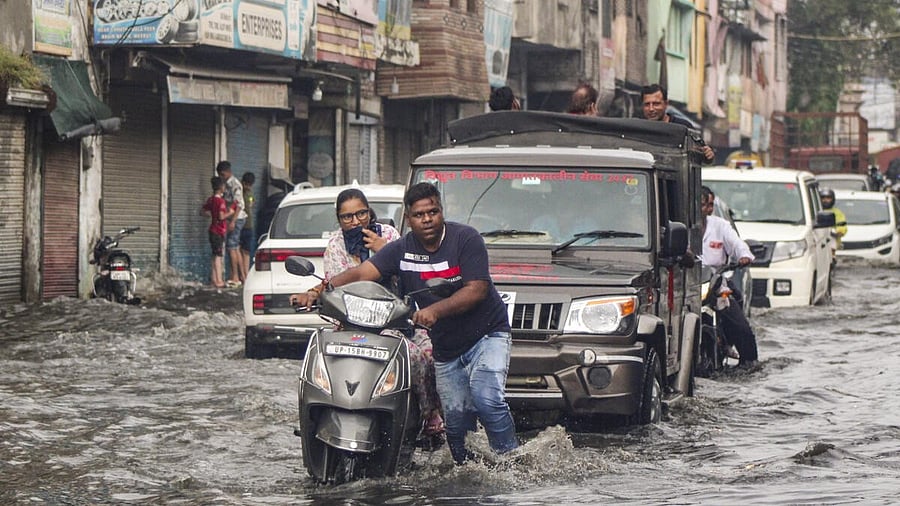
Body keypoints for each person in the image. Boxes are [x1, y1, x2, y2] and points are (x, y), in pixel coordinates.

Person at [293, 182, 518, 464]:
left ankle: (511, 463)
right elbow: (362, 272)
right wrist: (319, 291)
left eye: (433, 212)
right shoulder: (400, 249)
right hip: (447, 345)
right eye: (419, 215)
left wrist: (434, 310)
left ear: (441, 212)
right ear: (408, 219)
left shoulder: (466, 239)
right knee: (457, 421)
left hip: (486, 335)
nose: (427, 219)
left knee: (487, 399)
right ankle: (468, 472)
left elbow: (477, 290)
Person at [295, 188, 445, 442]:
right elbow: (334, 284)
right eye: (347, 217)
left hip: (394, 322)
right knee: (319, 359)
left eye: (361, 213)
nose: (356, 222)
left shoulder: (388, 235)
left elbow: (407, 270)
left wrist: (382, 248)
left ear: (369, 212)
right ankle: (316, 418)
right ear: (339, 220)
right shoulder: (335, 247)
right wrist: (314, 293)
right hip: (352, 325)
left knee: (426, 355)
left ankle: (430, 415)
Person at [701, 186, 759, 367]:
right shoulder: (679, 226)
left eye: (710, 205)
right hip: (687, 284)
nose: (708, 210)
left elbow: (737, 244)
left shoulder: (720, 226)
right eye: (704, 205)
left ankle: (749, 361)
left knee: (740, 324)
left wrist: (744, 256)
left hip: (715, 283)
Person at [641, 84, 715, 163]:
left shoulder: (683, 127)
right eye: (647, 104)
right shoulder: (638, 129)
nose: (651, 109)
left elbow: (704, 155)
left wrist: (708, 154)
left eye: (656, 104)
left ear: (666, 104)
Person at [216, 161, 247, 286]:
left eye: (223, 174)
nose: (221, 177)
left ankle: (235, 276)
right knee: (235, 248)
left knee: (232, 247)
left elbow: (239, 204)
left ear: (228, 172)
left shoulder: (235, 184)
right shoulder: (226, 184)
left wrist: (233, 221)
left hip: (237, 218)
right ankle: (242, 276)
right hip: (231, 218)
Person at [200, 176, 234, 288]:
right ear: (221, 188)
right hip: (218, 231)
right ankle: (219, 280)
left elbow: (203, 211)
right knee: (218, 256)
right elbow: (221, 216)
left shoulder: (211, 199)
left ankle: (214, 279)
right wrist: (230, 212)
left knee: (215, 255)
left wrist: (212, 215)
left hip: (212, 230)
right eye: (224, 186)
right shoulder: (220, 201)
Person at [239, 172, 257, 275]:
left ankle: (245, 274)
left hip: (247, 225)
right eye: (247, 184)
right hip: (242, 225)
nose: (248, 187)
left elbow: (252, 203)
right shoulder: (239, 192)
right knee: (240, 251)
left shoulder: (249, 193)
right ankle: (242, 274)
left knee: (245, 251)